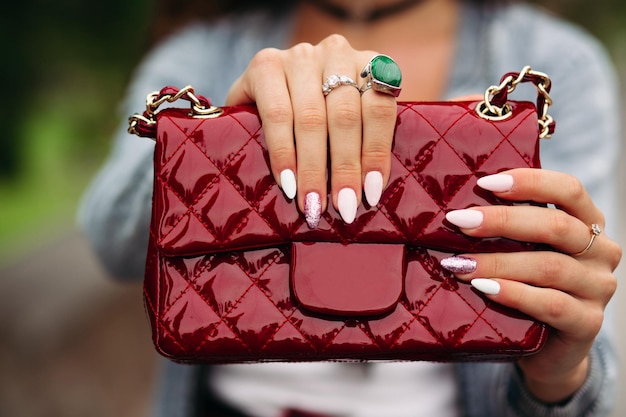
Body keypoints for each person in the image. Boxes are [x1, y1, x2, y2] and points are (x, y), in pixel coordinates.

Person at [79, 0, 622, 416]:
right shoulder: (201, 52)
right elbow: (111, 237)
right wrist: (214, 136)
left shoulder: (558, 62)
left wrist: (557, 377)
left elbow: (586, 344)